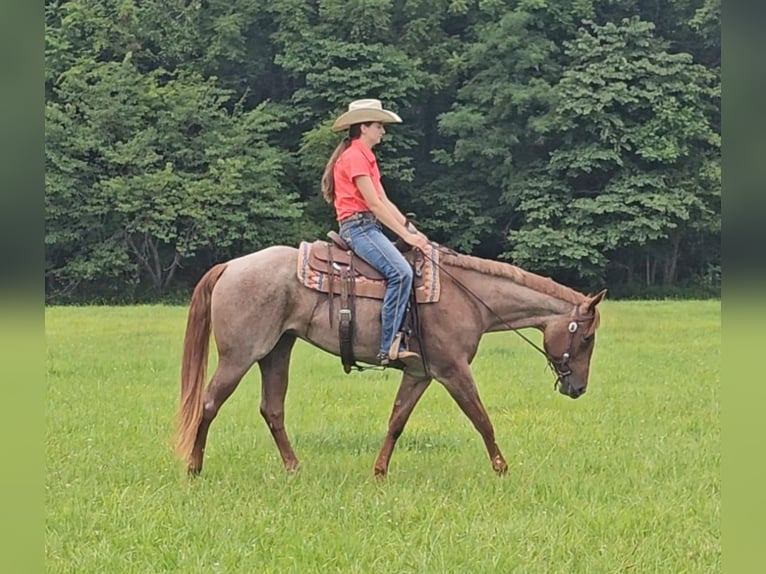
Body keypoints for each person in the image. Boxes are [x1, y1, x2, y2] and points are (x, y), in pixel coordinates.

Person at [321, 99, 430, 367]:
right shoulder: (355, 157)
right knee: (401, 273)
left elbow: (384, 200)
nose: (383, 131)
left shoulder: (365, 156)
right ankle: (388, 345)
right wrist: (407, 238)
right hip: (358, 228)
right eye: (379, 125)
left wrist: (409, 228)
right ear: (364, 127)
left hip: (367, 225)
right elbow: (374, 204)